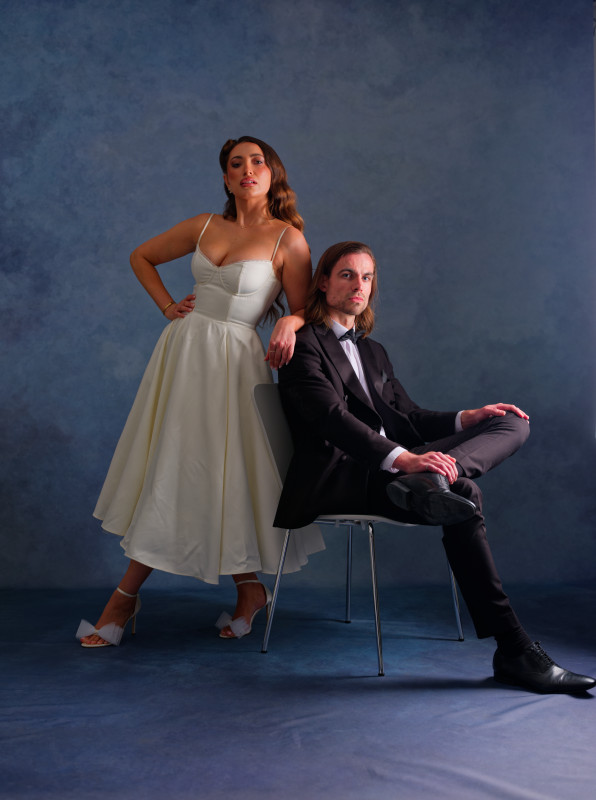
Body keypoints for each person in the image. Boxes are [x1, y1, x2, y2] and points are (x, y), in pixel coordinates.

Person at [274, 240, 595, 694]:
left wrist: (469, 417)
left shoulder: (374, 352)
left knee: (510, 423)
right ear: (323, 282)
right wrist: (403, 460)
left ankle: (430, 480)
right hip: (343, 476)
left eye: (367, 277)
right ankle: (514, 649)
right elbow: (332, 420)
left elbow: (409, 418)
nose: (359, 285)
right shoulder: (302, 346)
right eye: (347, 274)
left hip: (401, 474)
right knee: (464, 494)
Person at [77, 136, 323, 647]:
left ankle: (125, 599)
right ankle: (248, 590)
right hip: (182, 354)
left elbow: (306, 310)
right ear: (227, 178)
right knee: (177, 463)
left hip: (235, 363)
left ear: (273, 173)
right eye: (237, 164)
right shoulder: (205, 225)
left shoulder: (288, 240)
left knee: (218, 470)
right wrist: (168, 306)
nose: (247, 170)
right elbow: (141, 256)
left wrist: (288, 324)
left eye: (258, 162)